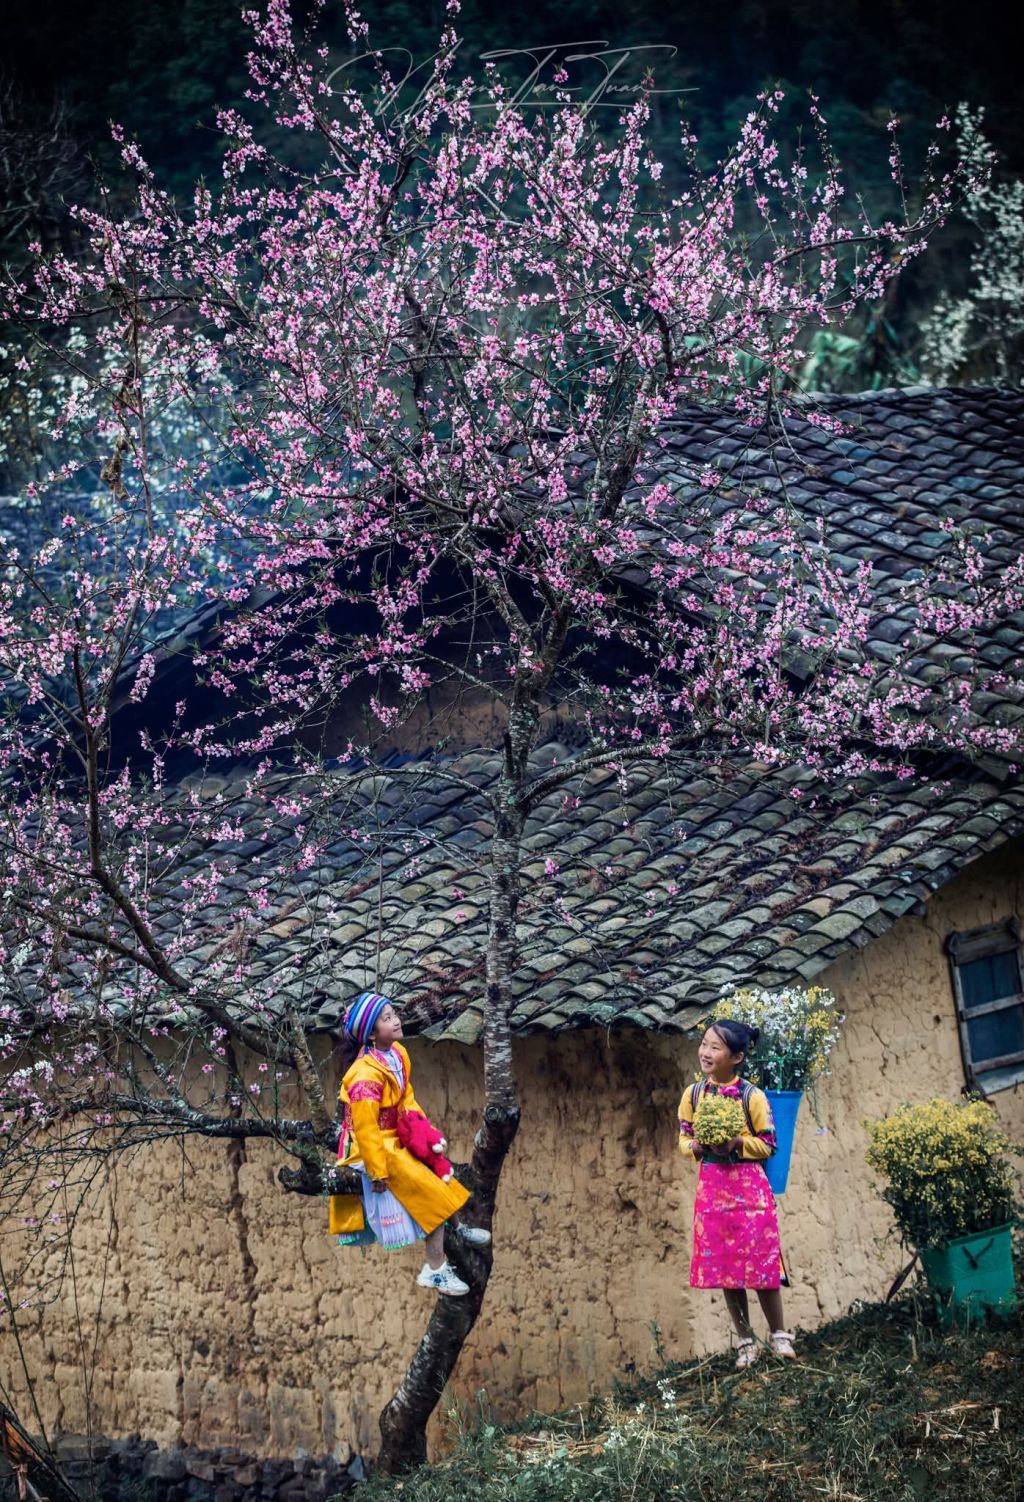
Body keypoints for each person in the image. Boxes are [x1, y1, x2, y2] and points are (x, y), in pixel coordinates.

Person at [330, 990, 491, 1296]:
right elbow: (365, 1128)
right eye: (387, 1018)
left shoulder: (398, 1055)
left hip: (395, 1133)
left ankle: (459, 1227)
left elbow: (407, 1099)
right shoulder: (364, 1075)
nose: (396, 1021)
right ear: (372, 1034)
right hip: (371, 1145)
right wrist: (376, 1171)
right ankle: (435, 1270)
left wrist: (422, 1131)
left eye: (394, 1014)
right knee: (425, 1189)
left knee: (435, 1166)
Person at [677, 1018, 797, 1368]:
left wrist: (737, 1143)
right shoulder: (694, 1095)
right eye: (704, 1044)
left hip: (749, 1190)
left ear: (737, 1057)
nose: (706, 1052)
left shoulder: (752, 1096)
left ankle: (779, 1335)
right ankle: (745, 1342)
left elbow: (769, 1143)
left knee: (762, 1263)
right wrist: (696, 1146)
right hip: (713, 1189)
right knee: (727, 1268)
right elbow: (683, 1138)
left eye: (715, 1047)